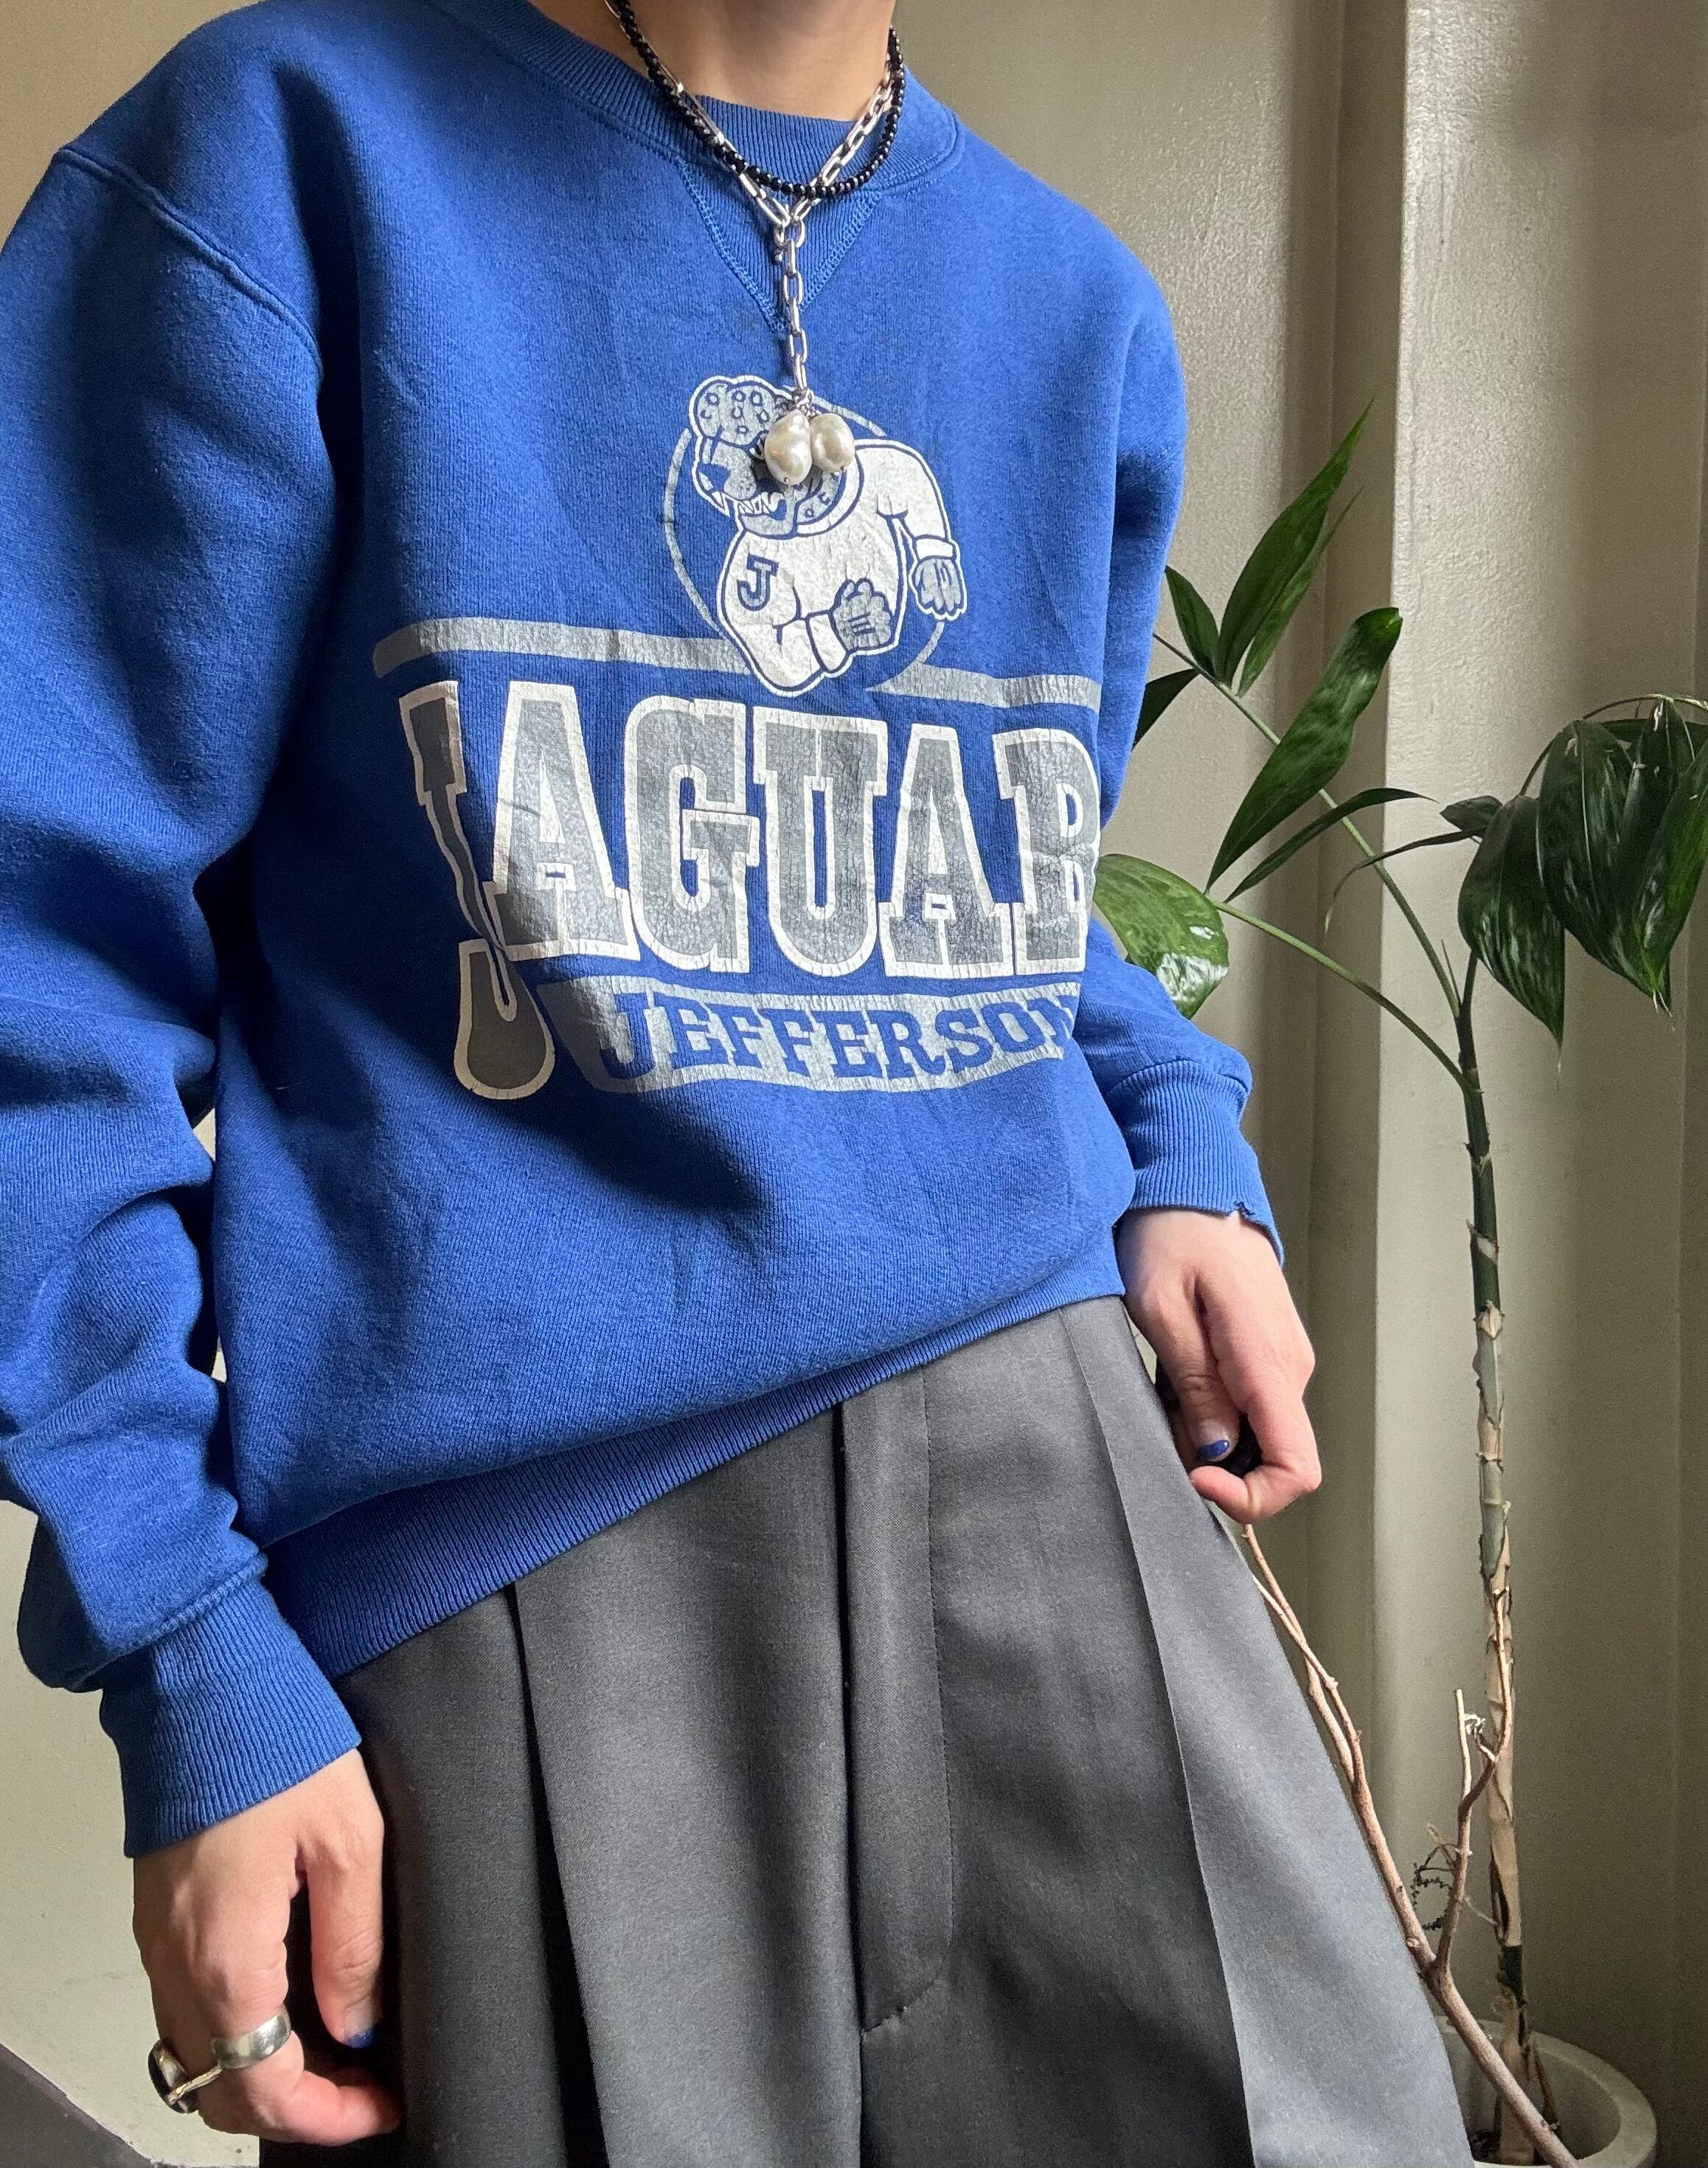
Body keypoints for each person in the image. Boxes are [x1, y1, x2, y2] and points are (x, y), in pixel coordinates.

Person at [0, 0, 1474, 2161]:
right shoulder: (275, 169)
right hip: (520, 1558)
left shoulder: (1072, 309)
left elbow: (981, 855)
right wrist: (189, 1646)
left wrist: (1171, 1135)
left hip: (1056, 1437)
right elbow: (35, 955)